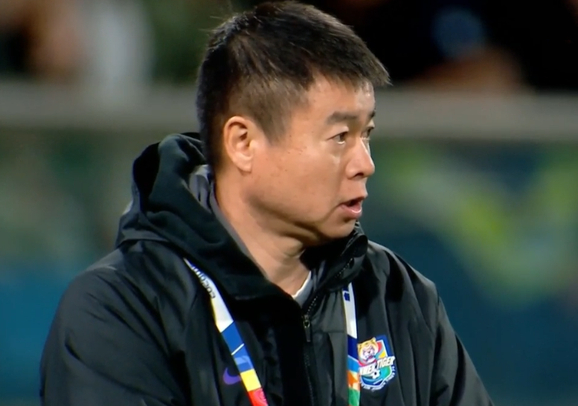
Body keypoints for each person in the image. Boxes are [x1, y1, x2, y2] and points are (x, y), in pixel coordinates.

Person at [39, 2, 493, 405]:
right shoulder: (121, 310)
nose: (365, 164)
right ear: (243, 143)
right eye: (340, 137)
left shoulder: (398, 296)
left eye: (366, 135)